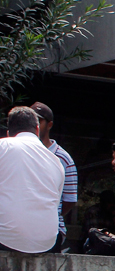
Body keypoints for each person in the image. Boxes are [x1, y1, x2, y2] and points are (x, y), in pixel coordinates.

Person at [0, 107, 65, 254]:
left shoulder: (3, 146)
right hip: (46, 242)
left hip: (5, 238)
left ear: (9, 133)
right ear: (37, 130)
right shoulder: (56, 161)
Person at [31, 102, 76, 252]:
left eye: (39, 120)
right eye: (32, 120)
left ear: (49, 125)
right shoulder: (23, 152)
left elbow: (69, 200)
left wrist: (49, 212)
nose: (35, 124)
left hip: (51, 230)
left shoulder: (63, 158)